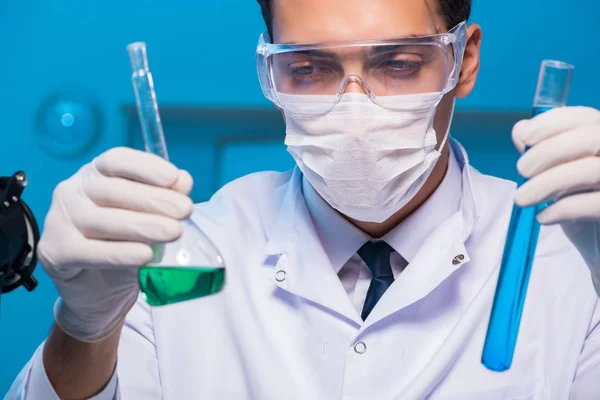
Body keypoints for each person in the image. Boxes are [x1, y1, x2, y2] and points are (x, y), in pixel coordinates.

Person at [6, 0, 600, 398]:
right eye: (309, 68)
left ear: (463, 60)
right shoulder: (186, 257)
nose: (354, 109)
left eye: (398, 63)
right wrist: (84, 328)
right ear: (271, 68)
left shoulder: (573, 258)